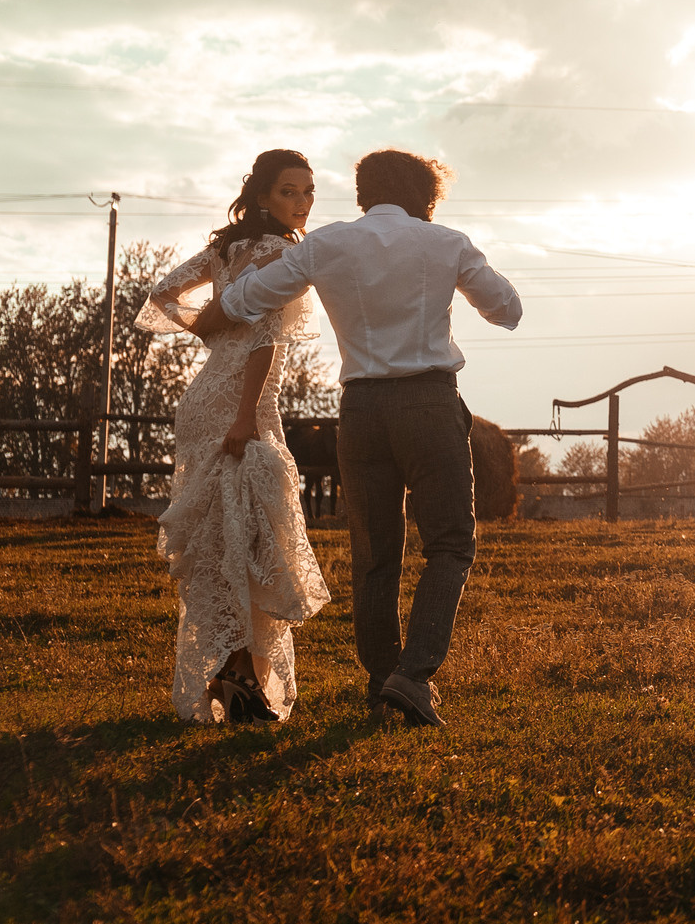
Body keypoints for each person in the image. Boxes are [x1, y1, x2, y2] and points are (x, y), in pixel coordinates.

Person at [209, 148, 523, 728]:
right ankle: (413, 675)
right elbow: (508, 310)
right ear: (424, 195)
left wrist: (228, 292)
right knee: (450, 544)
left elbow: (241, 301)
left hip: (361, 410)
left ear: (363, 194)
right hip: (429, 403)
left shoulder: (326, 244)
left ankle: (382, 685)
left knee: (375, 553)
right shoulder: (446, 242)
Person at [137, 149, 333, 725]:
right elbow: (263, 339)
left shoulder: (228, 248)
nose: (302, 203)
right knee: (246, 536)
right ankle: (238, 675)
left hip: (204, 400)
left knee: (227, 536)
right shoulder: (278, 252)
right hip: (238, 405)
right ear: (263, 196)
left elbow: (162, 293)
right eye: (289, 192)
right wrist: (247, 416)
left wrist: (205, 324)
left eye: (308, 192)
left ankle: (235, 673)